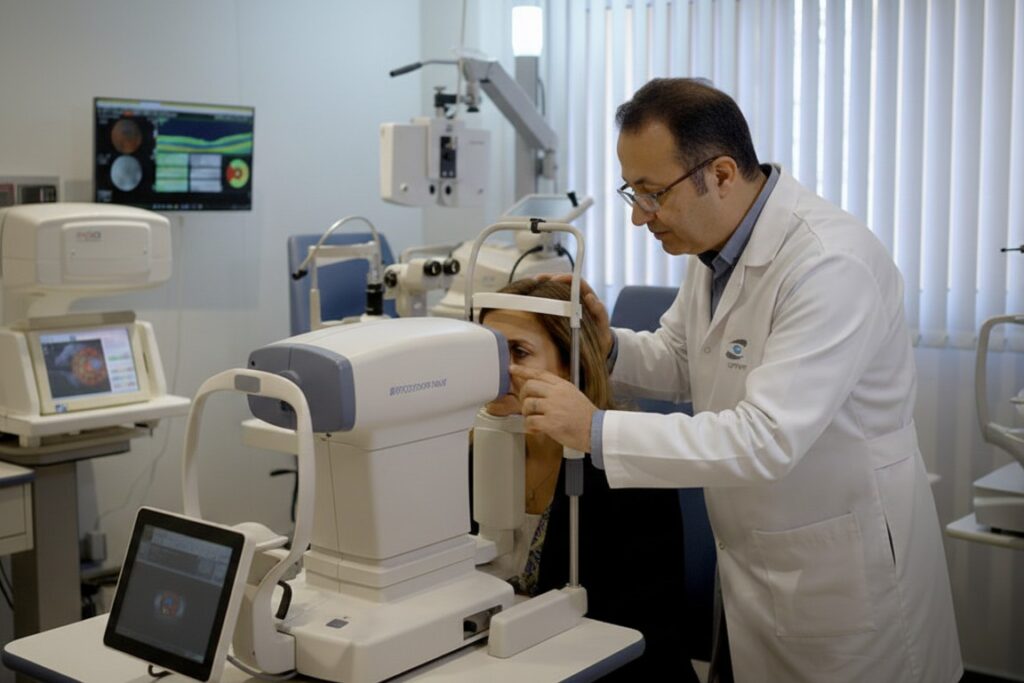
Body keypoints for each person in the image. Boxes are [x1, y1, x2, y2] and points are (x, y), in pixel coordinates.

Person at [511, 78, 963, 683]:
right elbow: (681, 357)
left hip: (843, 573)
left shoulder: (830, 264)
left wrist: (592, 429)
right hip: (762, 557)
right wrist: (610, 345)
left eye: (653, 194)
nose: (641, 217)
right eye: (632, 193)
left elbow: (765, 437)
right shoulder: (716, 248)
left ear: (721, 174)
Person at [475, 277, 700, 682]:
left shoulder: (629, 475)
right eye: (488, 352)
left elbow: (638, 634)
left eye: (519, 352)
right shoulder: (470, 455)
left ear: (572, 363)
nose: (498, 372)